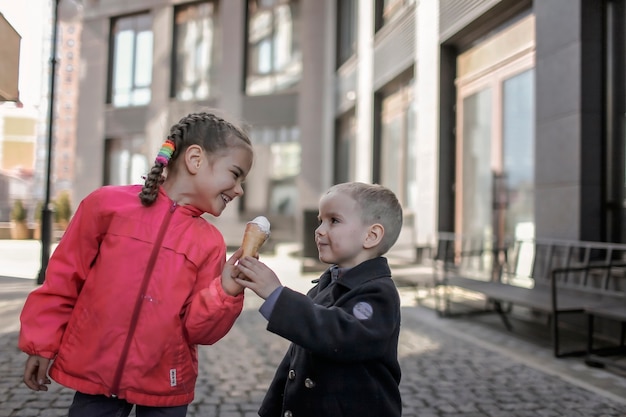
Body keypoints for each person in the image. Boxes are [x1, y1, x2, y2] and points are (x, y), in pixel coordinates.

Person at [18, 111, 253, 416]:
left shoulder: (210, 242)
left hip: (165, 387)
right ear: (195, 159)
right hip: (96, 379)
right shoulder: (104, 206)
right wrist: (41, 344)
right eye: (235, 174)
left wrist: (225, 291)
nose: (239, 190)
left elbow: (199, 330)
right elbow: (63, 279)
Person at [234, 181, 403, 417]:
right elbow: (295, 361)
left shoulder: (379, 292)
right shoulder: (327, 282)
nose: (320, 230)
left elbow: (339, 334)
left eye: (334, 220)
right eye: (320, 220)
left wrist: (277, 295)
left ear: (371, 235)